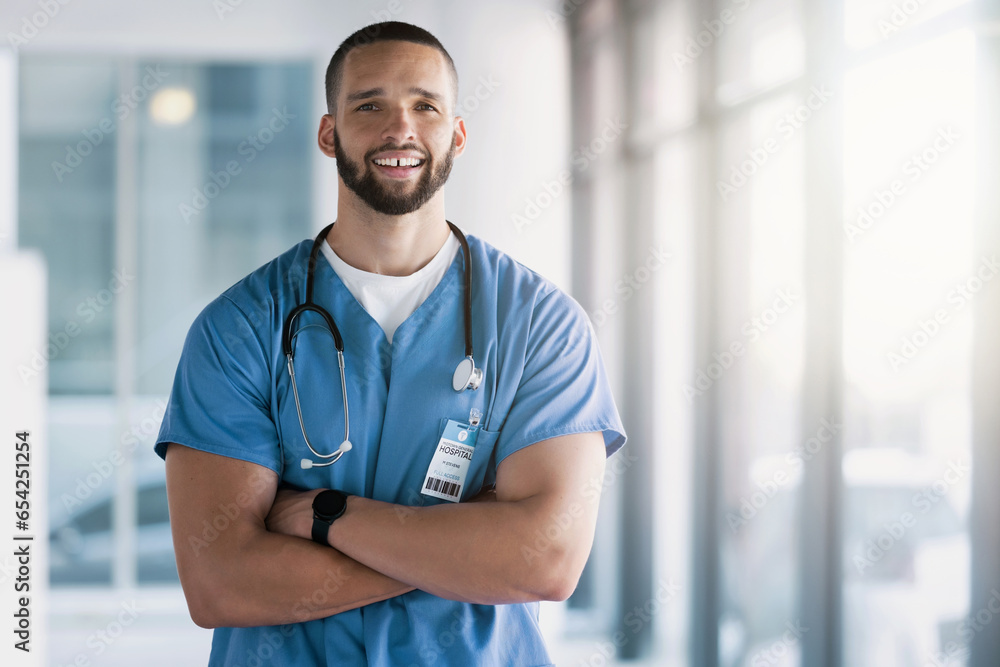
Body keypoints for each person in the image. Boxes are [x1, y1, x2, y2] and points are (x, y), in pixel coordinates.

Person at [156, 20, 626, 666]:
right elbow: (218, 582)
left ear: (456, 135)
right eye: (369, 104)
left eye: (425, 106)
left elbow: (545, 559)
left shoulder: (541, 325)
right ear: (330, 133)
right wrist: (464, 550)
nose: (399, 128)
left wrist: (327, 516)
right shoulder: (240, 325)